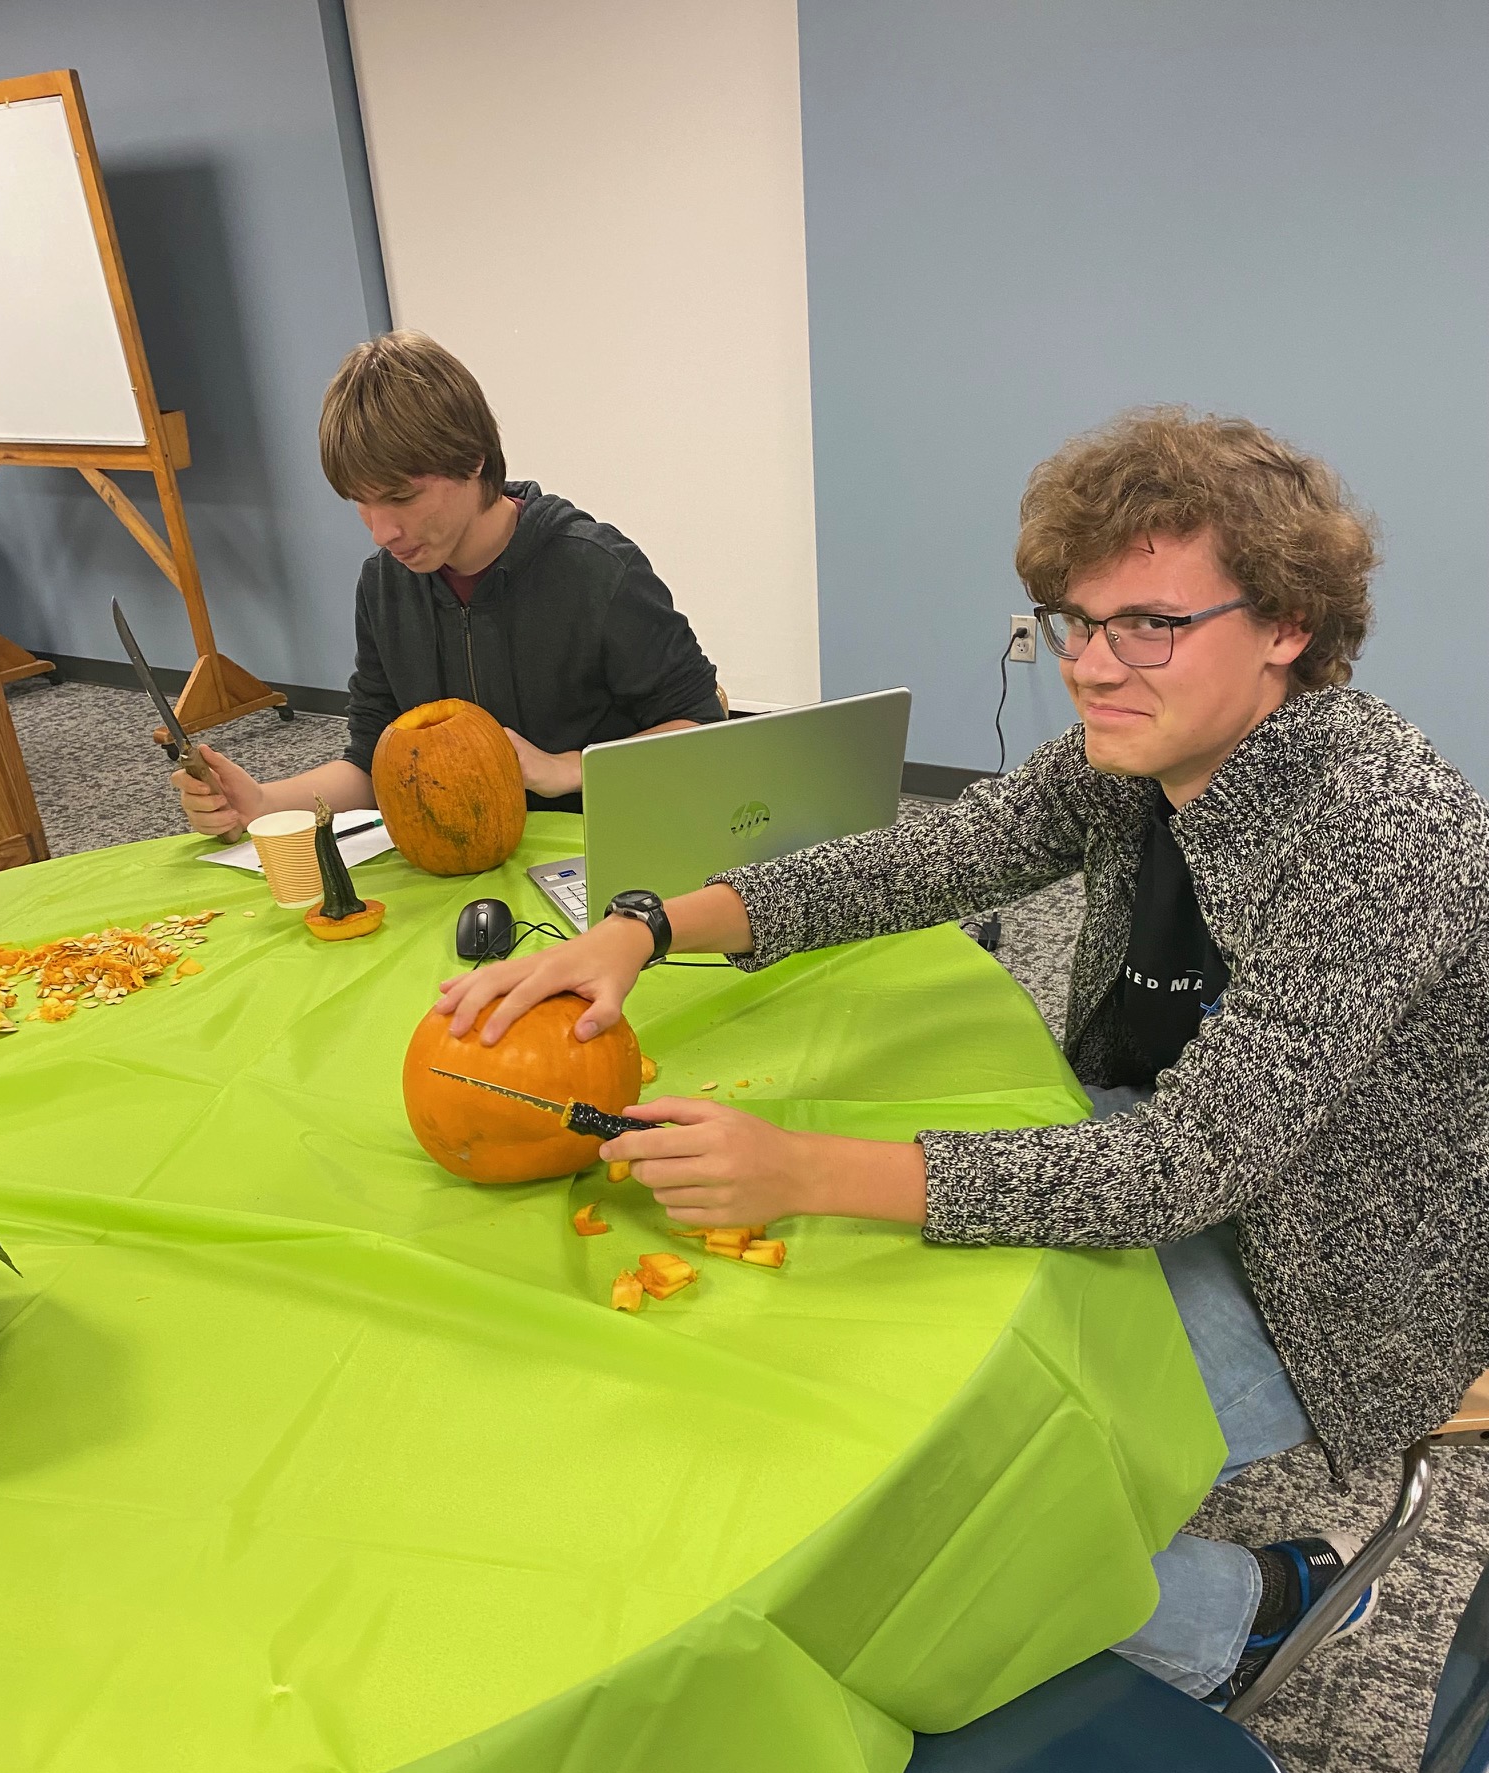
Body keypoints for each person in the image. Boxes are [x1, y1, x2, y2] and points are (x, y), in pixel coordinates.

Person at [435, 407, 1489, 1705]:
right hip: (1161, 1138)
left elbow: (1180, 1170)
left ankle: (1250, 1615)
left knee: (938, 1493)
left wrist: (804, 1170)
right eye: (1076, 624)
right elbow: (928, 856)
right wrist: (644, 927)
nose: (1092, 667)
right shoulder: (1143, 746)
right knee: (863, 1354)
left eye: (1149, 625)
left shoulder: (1382, 828)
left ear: (1287, 626)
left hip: (1335, 1279)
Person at [173, 330, 724, 836]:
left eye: (402, 497)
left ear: (472, 459)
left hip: (592, 843)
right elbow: (371, 762)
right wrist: (263, 803)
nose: (381, 532)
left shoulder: (597, 571)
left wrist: (567, 768)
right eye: (361, 502)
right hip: (456, 848)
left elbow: (702, 726)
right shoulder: (384, 586)